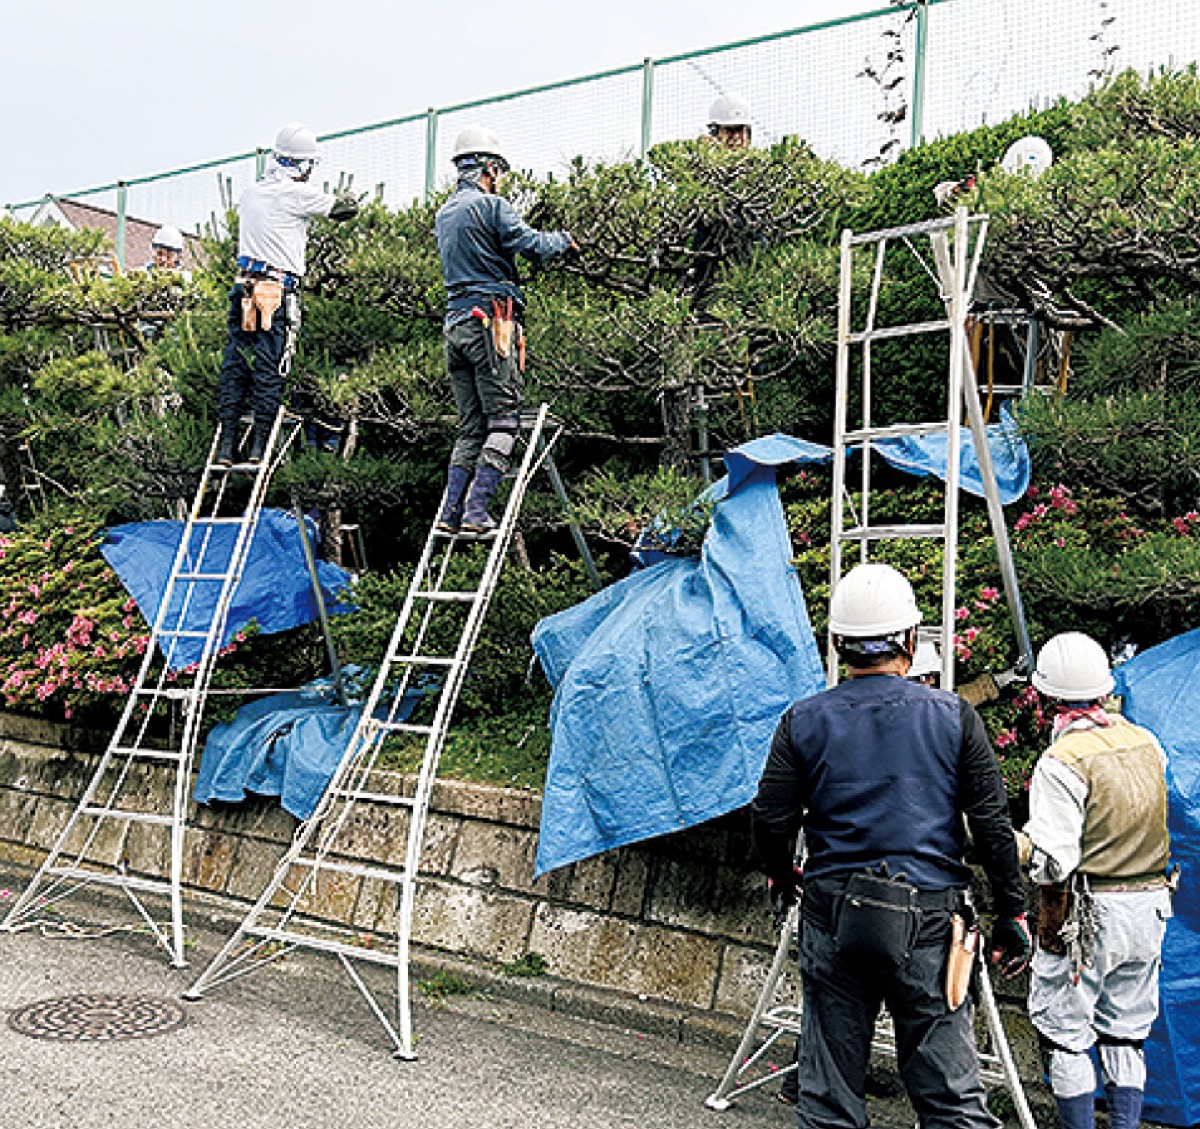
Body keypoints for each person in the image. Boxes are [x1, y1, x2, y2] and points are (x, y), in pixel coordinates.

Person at [751, 561, 1030, 1129]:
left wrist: (783, 877)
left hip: (833, 914)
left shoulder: (802, 719)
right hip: (930, 921)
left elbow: (770, 817)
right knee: (951, 1102)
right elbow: (993, 826)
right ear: (909, 640)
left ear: (838, 645)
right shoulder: (954, 717)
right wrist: (1012, 911)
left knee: (829, 1100)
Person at [1017, 632, 1172, 1129]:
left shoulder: (1062, 761)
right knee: (1126, 1032)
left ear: (1048, 697)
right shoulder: (1146, 742)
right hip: (1151, 907)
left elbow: (1054, 863)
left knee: (1065, 1031)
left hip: (1089, 915)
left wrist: (1020, 848)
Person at [432, 125, 575, 534]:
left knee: (470, 428)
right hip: (489, 326)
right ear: (489, 167)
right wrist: (564, 240)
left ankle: (449, 515)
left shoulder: (445, 214)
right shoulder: (492, 207)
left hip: (455, 325)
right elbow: (530, 243)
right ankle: (476, 512)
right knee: (503, 423)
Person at [215, 122, 359, 466]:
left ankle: (226, 446)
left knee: (235, 363)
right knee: (270, 366)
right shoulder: (295, 193)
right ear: (303, 165)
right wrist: (352, 198)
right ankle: (259, 447)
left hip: (244, 288)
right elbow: (344, 209)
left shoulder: (252, 192)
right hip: (276, 291)